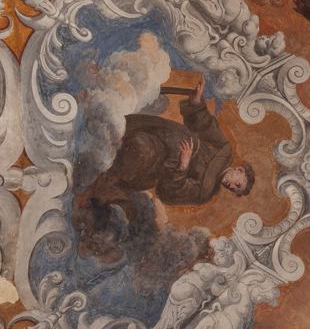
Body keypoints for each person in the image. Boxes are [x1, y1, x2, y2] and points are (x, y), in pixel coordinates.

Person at [78, 81, 253, 223]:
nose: (231, 187)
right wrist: (197, 104)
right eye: (238, 184)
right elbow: (204, 125)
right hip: (161, 131)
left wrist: (183, 165)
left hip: (155, 164)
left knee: (139, 149)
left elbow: (170, 193)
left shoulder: (205, 191)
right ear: (240, 170)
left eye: (234, 190)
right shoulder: (223, 149)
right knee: (118, 130)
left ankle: (102, 183)